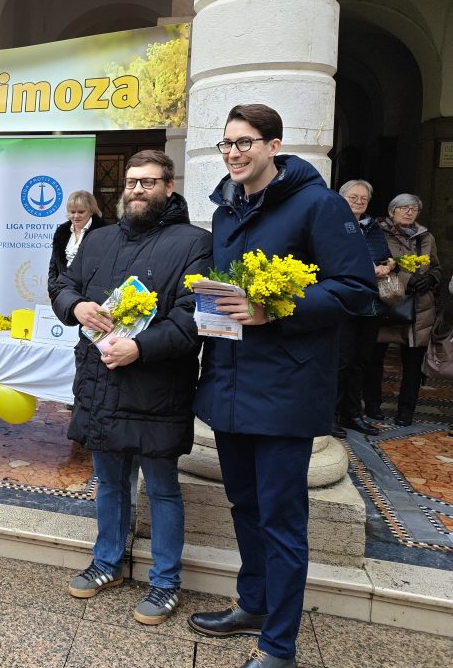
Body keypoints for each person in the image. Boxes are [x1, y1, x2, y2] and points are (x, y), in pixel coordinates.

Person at [188, 104, 376, 668]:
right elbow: (229, 291)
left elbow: (355, 289)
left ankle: (279, 646)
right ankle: (253, 605)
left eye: (245, 142)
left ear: (274, 145)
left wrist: (272, 308)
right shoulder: (225, 210)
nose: (233, 153)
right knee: (244, 504)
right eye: (226, 143)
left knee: (282, 520)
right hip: (230, 382)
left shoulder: (319, 204)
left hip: (286, 390)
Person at [52, 150, 212, 625]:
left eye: (148, 182)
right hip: (100, 382)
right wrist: (75, 306)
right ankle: (107, 563)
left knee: (161, 488)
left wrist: (140, 348)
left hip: (156, 388)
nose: (136, 190)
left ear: (169, 186)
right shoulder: (98, 240)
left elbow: (192, 318)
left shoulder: (195, 242)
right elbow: (62, 284)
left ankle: (165, 582)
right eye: (131, 182)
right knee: (109, 482)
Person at [363, 194, 442, 426]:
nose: (409, 212)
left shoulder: (426, 236)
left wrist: (431, 279)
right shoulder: (377, 232)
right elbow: (374, 263)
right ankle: (372, 405)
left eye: (414, 208)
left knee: (413, 362)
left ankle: (406, 411)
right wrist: (407, 279)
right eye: (403, 208)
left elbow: (436, 267)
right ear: (392, 211)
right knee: (375, 357)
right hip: (388, 300)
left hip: (420, 307)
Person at [333, 179, 393, 437]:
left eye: (364, 198)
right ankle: (330, 415)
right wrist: (369, 269)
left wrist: (389, 265)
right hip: (344, 302)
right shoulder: (332, 224)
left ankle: (352, 414)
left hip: (371, 303)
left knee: (360, 362)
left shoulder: (373, 227)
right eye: (353, 197)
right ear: (341, 199)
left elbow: (384, 254)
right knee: (341, 362)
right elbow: (332, 259)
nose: (359, 202)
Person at [47, 189, 107, 301]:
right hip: (63, 294)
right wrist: (54, 291)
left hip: (90, 297)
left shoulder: (104, 233)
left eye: (81, 212)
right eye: (72, 212)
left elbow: (106, 269)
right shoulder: (61, 232)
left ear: (91, 211)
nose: (76, 216)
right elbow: (53, 266)